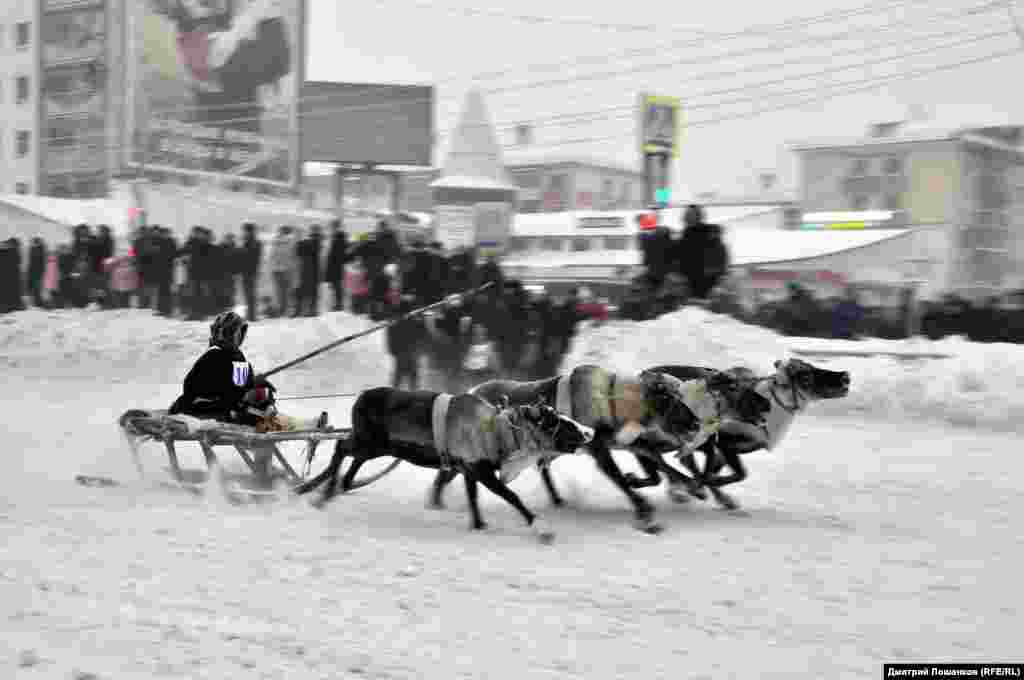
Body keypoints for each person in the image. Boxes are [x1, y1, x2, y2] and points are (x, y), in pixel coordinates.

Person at [169, 311, 328, 434]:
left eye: (241, 334)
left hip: (225, 408)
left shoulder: (235, 356)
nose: (239, 338)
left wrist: (255, 384)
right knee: (256, 415)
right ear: (225, 334)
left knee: (261, 404)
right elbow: (221, 391)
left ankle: (295, 425)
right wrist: (249, 391)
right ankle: (299, 426)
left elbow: (240, 384)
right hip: (204, 411)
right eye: (236, 334)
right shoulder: (213, 356)